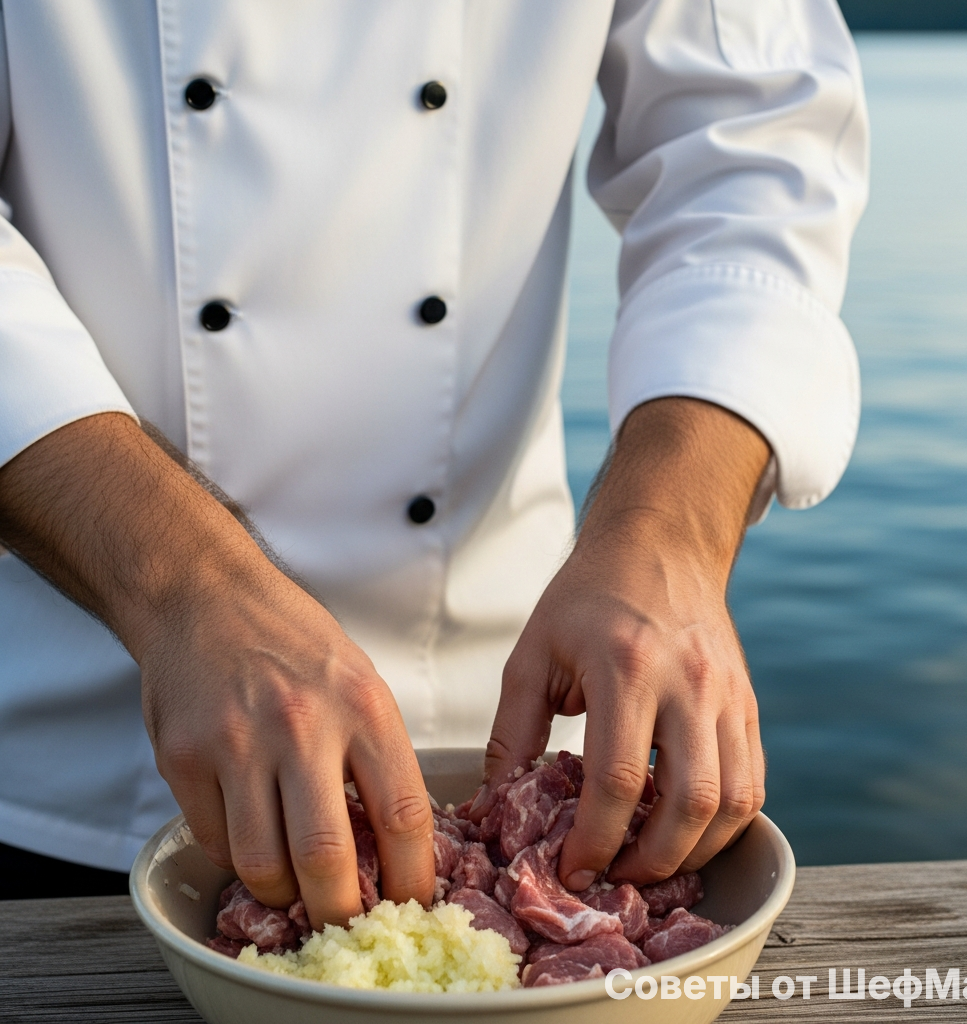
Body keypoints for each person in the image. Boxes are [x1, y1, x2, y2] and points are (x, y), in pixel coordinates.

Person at [0, 1, 867, 924]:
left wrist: (669, 534)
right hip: (81, 756)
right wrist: (181, 584)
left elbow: (754, 148)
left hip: (513, 735)